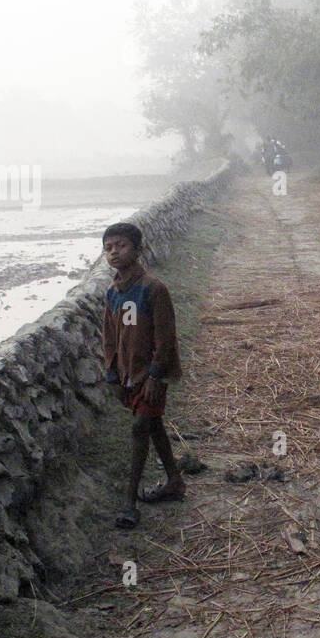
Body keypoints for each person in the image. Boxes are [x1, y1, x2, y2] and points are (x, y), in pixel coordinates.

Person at [101, 222, 186, 528]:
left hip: (152, 373)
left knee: (140, 427)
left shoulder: (153, 289)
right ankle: (175, 480)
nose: (114, 252)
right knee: (153, 426)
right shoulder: (113, 293)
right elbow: (109, 337)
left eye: (121, 245)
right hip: (128, 373)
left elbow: (166, 337)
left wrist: (155, 375)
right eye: (108, 247)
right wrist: (112, 375)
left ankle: (129, 502)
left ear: (137, 249)